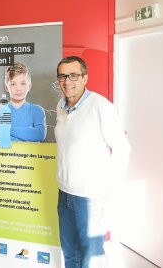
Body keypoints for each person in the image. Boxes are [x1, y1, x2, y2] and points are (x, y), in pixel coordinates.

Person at [54, 56, 130, 268]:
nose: (67, 81)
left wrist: (109, 188)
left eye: (74, 76)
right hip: (65, 193)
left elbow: (122, 148)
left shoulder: (100, 106)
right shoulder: (61, 106)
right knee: (69, 252)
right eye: (62, 76)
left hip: (91, 197)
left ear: (85, 78)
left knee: (91, 256)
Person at [0, 62, 46, 141]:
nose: (18, 88)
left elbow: (39, 134)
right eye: (13, 84)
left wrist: (6, 130)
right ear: (6, 87)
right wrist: (28, 132)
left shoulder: (37, 110)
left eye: (23, 83)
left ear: (29, 86)